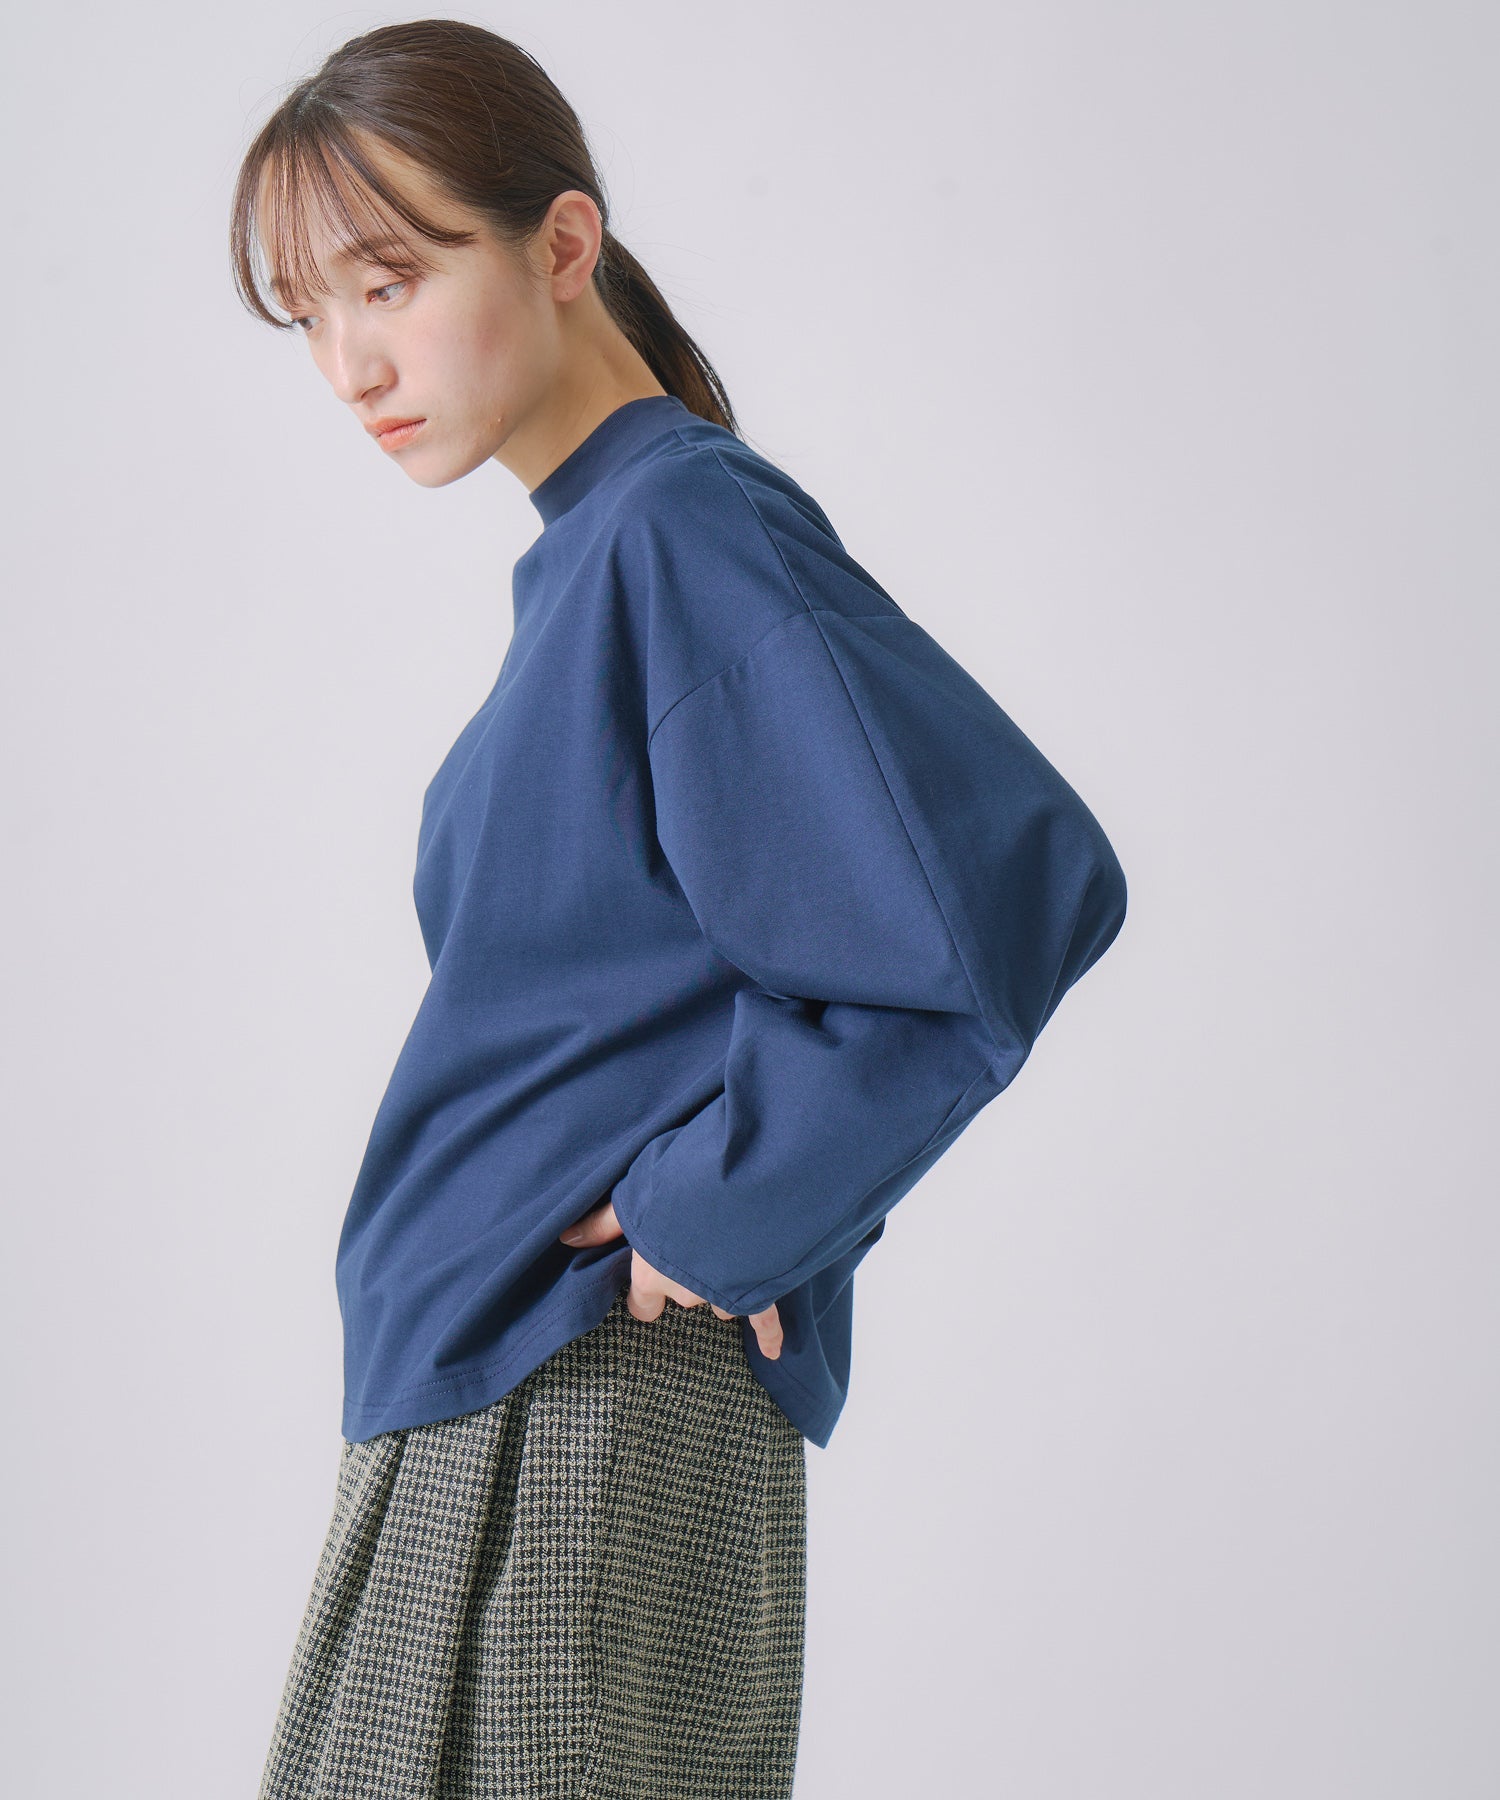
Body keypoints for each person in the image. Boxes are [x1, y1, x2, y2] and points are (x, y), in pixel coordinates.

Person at [231, 20, 1129, 1800]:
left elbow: (1005, 898)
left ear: (563, 244)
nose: (350, 364)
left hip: (571, 1405)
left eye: (390, 284)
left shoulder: (676, 532)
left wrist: (726, 1212)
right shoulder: (598, 556)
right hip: (480, 1384)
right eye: (311, 315)